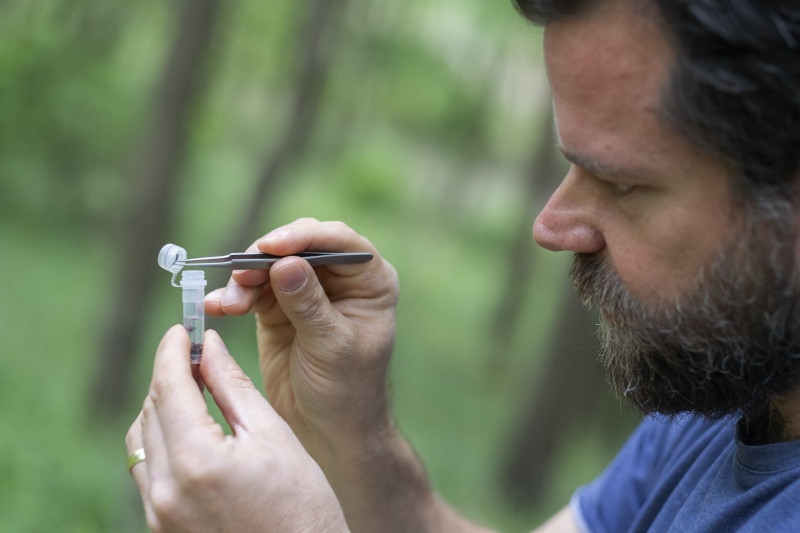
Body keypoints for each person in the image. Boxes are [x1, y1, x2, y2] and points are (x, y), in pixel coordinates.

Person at [125, 0, 800, 531]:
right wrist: (357, 436)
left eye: (623, 185)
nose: (550, 226)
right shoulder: (725, 389)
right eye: (573, 164)